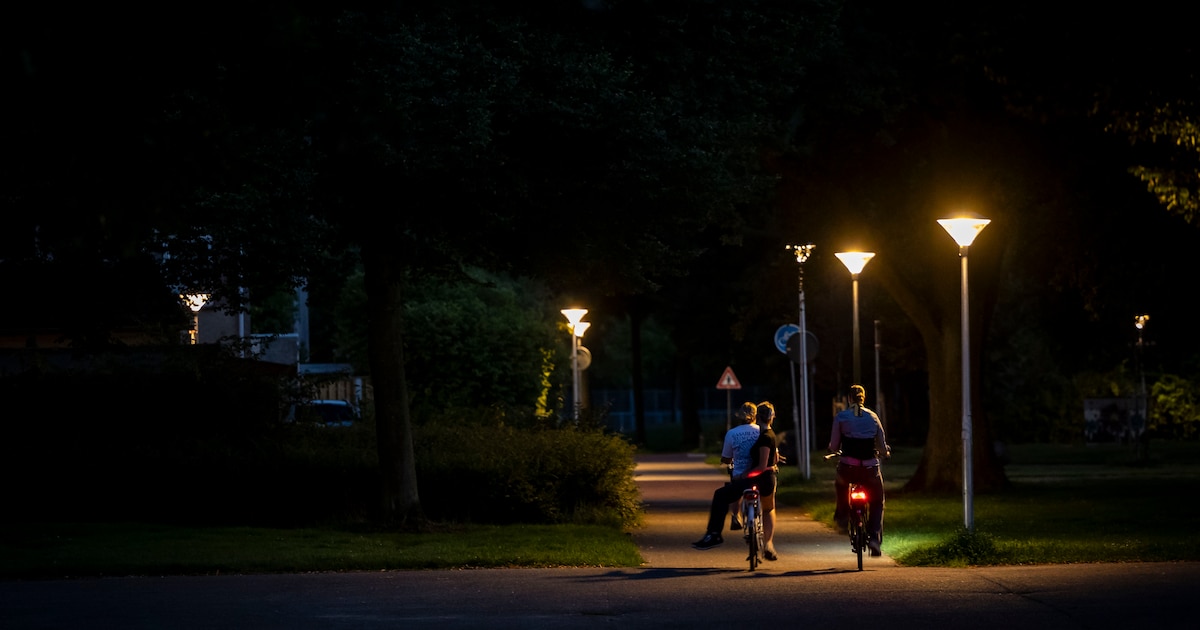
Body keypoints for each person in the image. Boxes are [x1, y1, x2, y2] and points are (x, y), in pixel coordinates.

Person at [693, 400, 781, 561]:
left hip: (747, 477)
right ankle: (769, 543)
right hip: (766, 479)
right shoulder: (763, 432)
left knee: (722, 495)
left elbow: (729, 459)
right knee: (769, 508)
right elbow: (772, 456)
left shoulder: (734, 433)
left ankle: (716, 532)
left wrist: (741, 472)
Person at [828, 384, 890, 557]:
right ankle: (874, 540)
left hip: (848, 467)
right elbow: (882, 446)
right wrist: (885, 452)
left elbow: (834, 445)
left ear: (849, 399)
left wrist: (833, 450)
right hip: (870, 469)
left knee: (840, 485)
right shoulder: (873, 417)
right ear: (864, 398)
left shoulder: (841, 417)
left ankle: (843, 516)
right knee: (877, 501)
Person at [720, 401, 760, 530]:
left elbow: (726, 458)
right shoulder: (762, 431)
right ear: (756, 416)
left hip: (740, 474)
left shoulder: (732, 433)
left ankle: (735, 515)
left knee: (734, 487)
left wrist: (728, 460)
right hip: (759, 472)